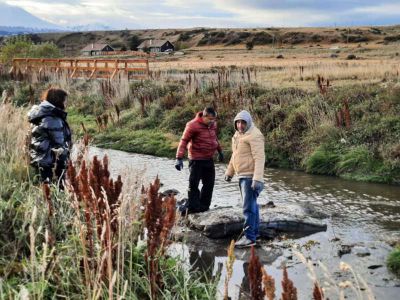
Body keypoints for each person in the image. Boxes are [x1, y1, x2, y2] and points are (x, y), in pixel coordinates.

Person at [224, 110, 265, 248]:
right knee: (253, 206)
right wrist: (229, 172)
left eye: (243, 122)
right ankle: (255, 233)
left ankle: (249, 238)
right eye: (238, 122)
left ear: (248, 122)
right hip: (242, 175)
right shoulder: (237, 135)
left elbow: (260, 158)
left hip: (250, 177)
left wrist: (257, 179)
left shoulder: (255, 135)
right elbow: (234, 156)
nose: (240, 125)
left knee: (248, 208)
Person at [175, 107, 223, 215]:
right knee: (194, 184)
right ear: (204, 116)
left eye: (214, 119)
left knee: (209, 184)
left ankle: (204, 206)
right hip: (196, 159)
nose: (212, 122)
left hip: (209, 159)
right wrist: (179, 158)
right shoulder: (192, 125)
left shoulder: (213, 125)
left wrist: (220, 151)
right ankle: (194, 207)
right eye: (210, 119)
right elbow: (184, 141)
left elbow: (214, 138)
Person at [28, 88, 71, 189]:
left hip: (41, 158)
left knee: (45, 190)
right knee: (54, 192)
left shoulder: (43, 113)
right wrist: (66, 156)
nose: (66, 103)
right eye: (64, 100)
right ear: (58, 101)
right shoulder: (51, 118)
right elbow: (59, 143)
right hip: (49, 161)